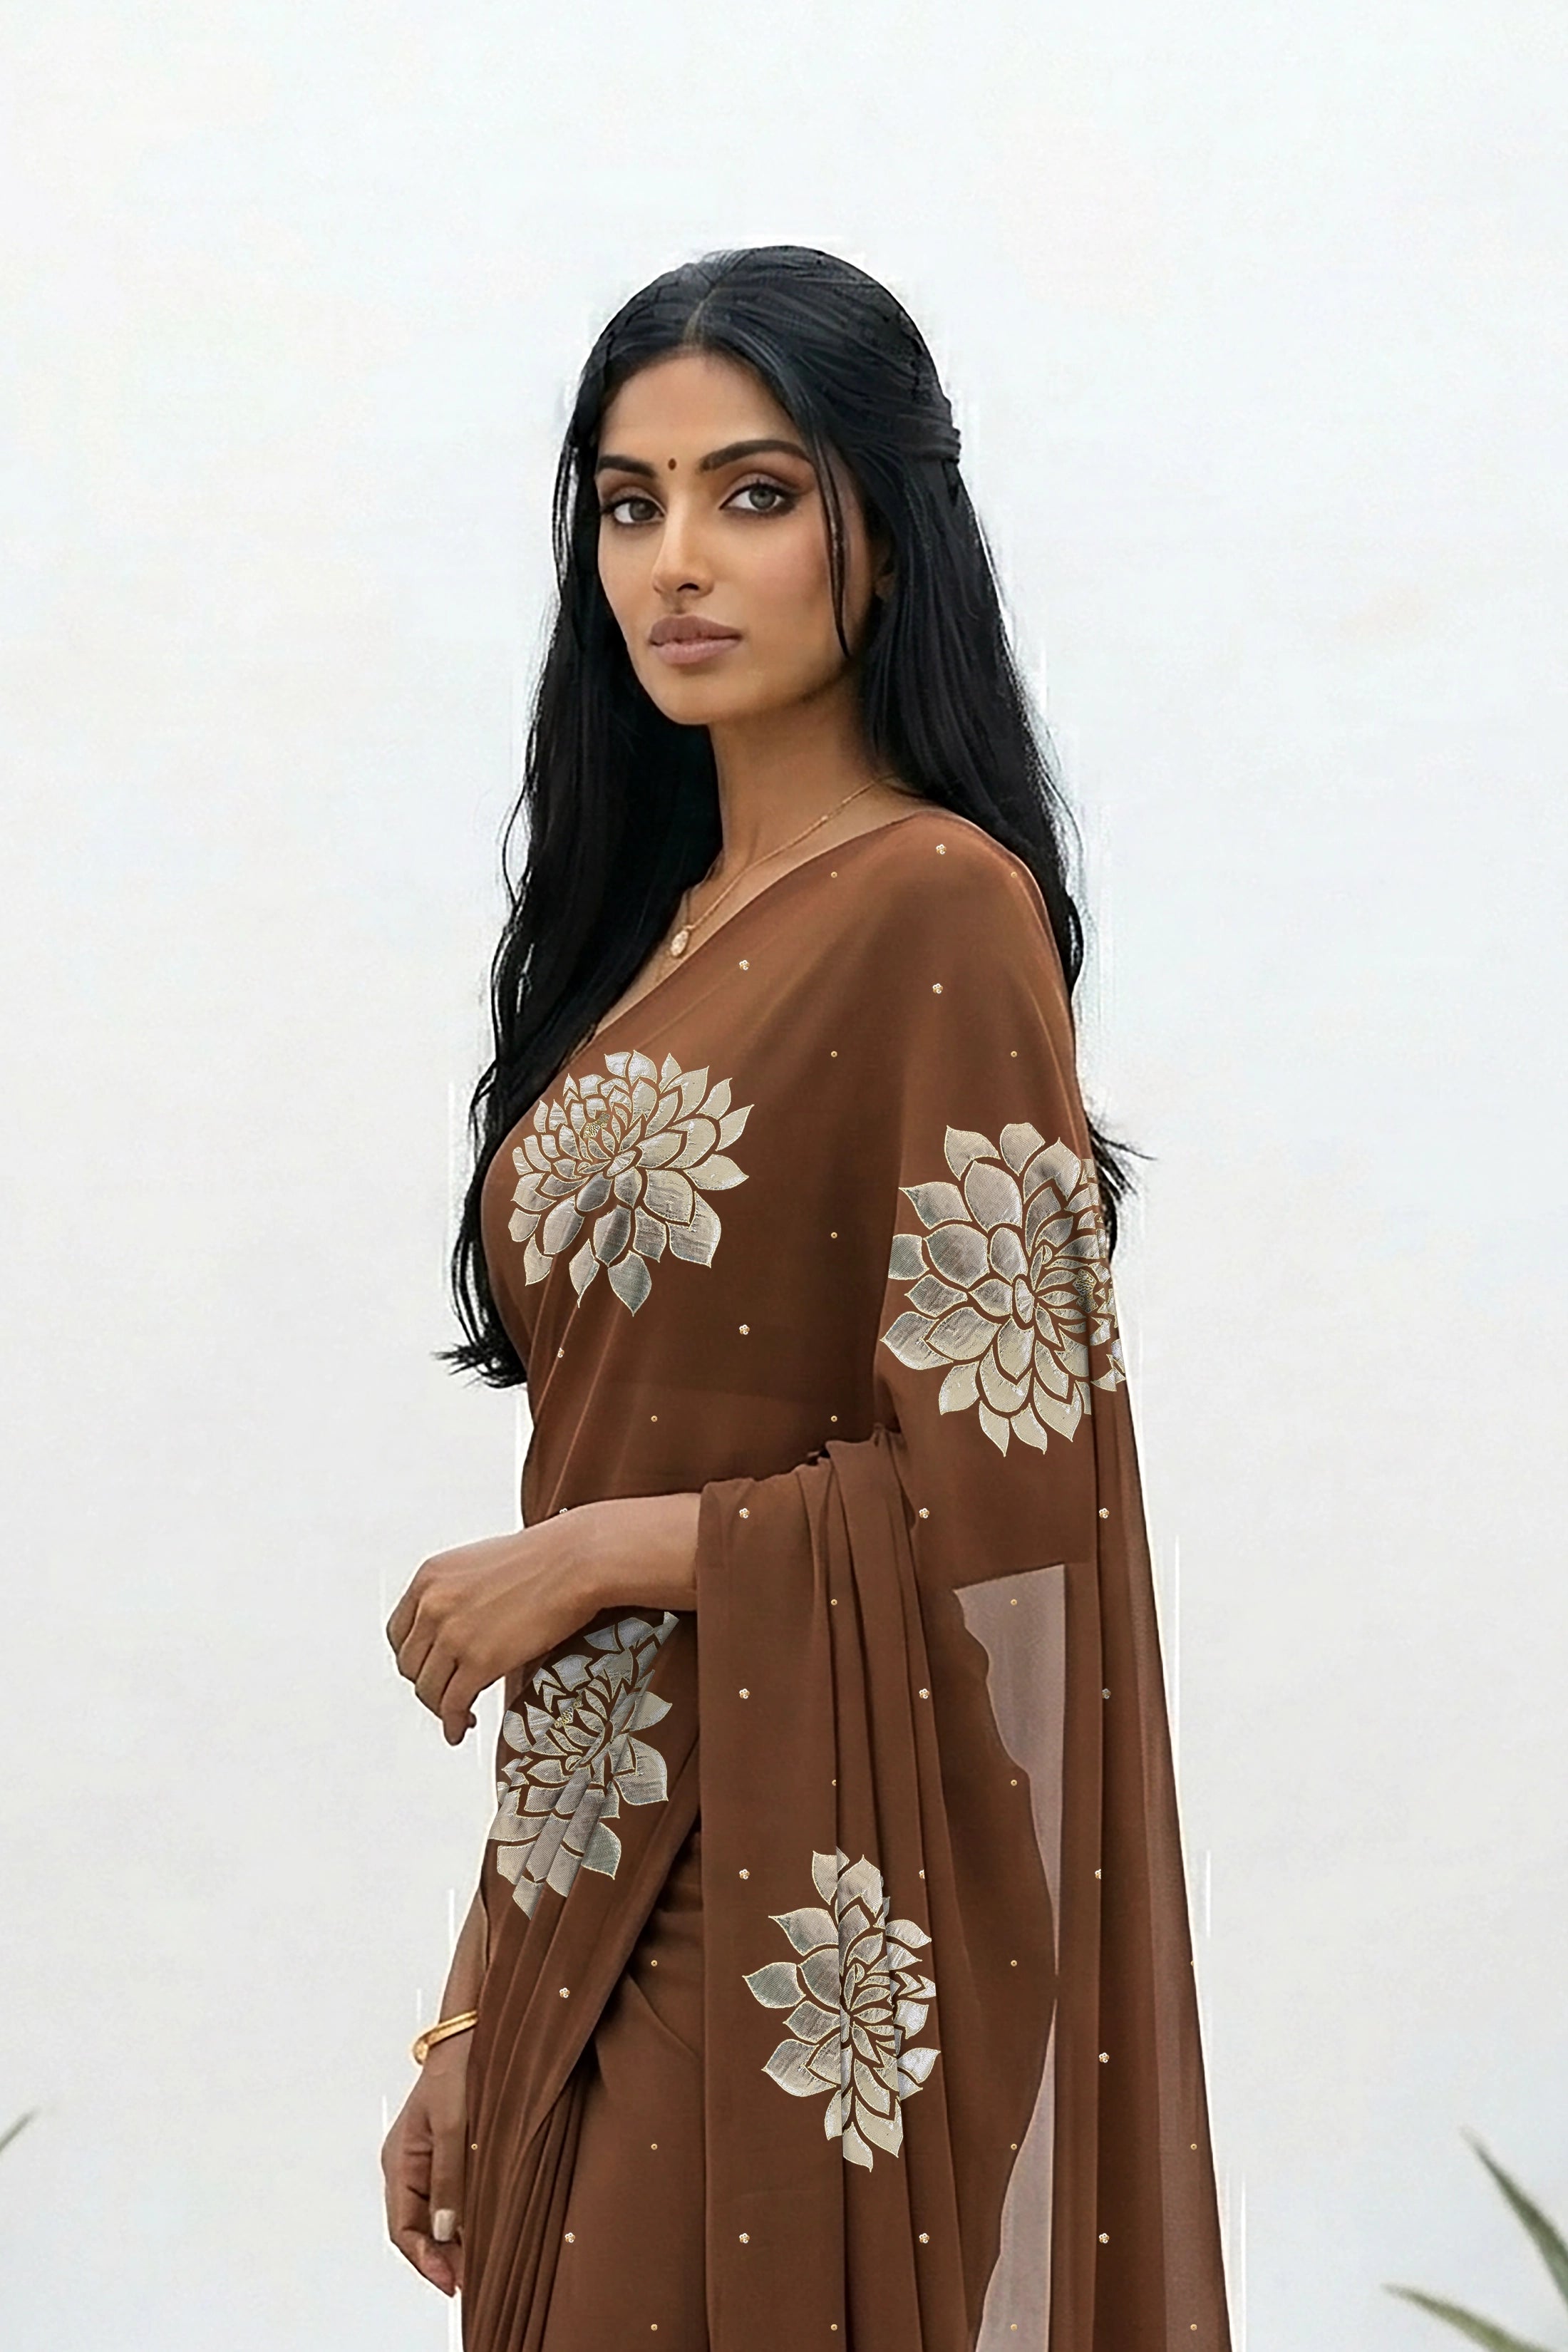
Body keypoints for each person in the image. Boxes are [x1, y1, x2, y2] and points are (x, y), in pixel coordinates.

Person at [379, 243, 1232, 2351]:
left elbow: (1014, 1504)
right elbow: (607, 1445)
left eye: (754, 493)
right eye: (629, 501)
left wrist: (598, 1555)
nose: (676, 559)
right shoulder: (645, 935)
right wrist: (471, 2001)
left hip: (796, 1898)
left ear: (890, 527)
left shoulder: (940, 906)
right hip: (587, 1881)